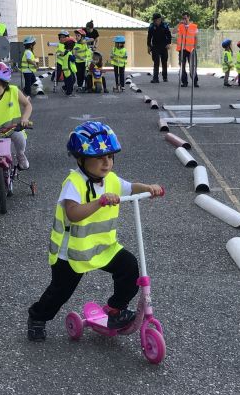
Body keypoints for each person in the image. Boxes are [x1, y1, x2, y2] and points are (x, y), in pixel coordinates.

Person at [27, 121, 163, 341]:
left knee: (129, 268)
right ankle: (37, 317)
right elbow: (73, 213)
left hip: (102, 246)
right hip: (72, 252)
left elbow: (130, 186)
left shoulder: (110, 179)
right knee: (60, 292)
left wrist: (147, 188)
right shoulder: (74, 183)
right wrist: (99, 202)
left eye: (109, 157)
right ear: (81, 159)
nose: (106, 163)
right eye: (99, 158)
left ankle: (114, 310)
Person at [176, 11, 198, 88]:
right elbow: (173, 32)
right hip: (182, 49)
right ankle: (184, 82)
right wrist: (179, 24)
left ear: (189, 17)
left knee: (193, 66)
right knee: (182, 66)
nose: (184, 20)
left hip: (191, 50)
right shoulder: (180, 26)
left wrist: (194, 48)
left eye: (185, 18)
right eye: (183, 18)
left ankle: (195, 82)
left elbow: (196, 38)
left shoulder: (194, 26)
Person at [147, 13, 171, 83]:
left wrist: (168, 43)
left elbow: (169, 35)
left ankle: (165, 77)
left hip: (164, 46)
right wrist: (148, 46)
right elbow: (149, 37)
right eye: (154, 20)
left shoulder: (165, 25)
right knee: (156, 62)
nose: (155, 22)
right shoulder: (151, 26)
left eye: (156, 20)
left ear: (160, 19)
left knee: (164, 62)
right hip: (155, 46)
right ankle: (155, 78)